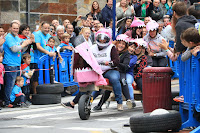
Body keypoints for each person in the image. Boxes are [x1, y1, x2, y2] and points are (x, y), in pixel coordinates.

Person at [62, 28, 123, 111]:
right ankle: (73, 103)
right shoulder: (92, 47)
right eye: (100, 40)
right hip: (96, 70)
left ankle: (119, 102)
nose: (101, 42)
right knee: (86, 83)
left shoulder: (112, 47)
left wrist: (109, 63)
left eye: (104, 40)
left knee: (115, 79)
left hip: (109, 70)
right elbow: (87, 58)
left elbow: (116, 61)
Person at [3, 22, 31, 108]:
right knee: (10, 85)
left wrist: (28, 43)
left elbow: (22, 49)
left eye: (17, 28)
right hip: (10, 64)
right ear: (10, 28)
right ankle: (7, 102)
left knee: (16, 84)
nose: (15, 30)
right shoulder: (8, 37)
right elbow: (14, 49)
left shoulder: (17, 37)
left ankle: (15, 101)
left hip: (17, 64)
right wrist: (24, 44)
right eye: (14, 28)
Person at [126, 39, 137, 107]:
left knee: (128, 83)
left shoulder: (134, 57)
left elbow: (128, 64)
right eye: (131, 47)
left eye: (134, 48)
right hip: (119, 72)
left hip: (128, 73)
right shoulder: (122, 54)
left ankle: (132, 100)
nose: (132, 49)